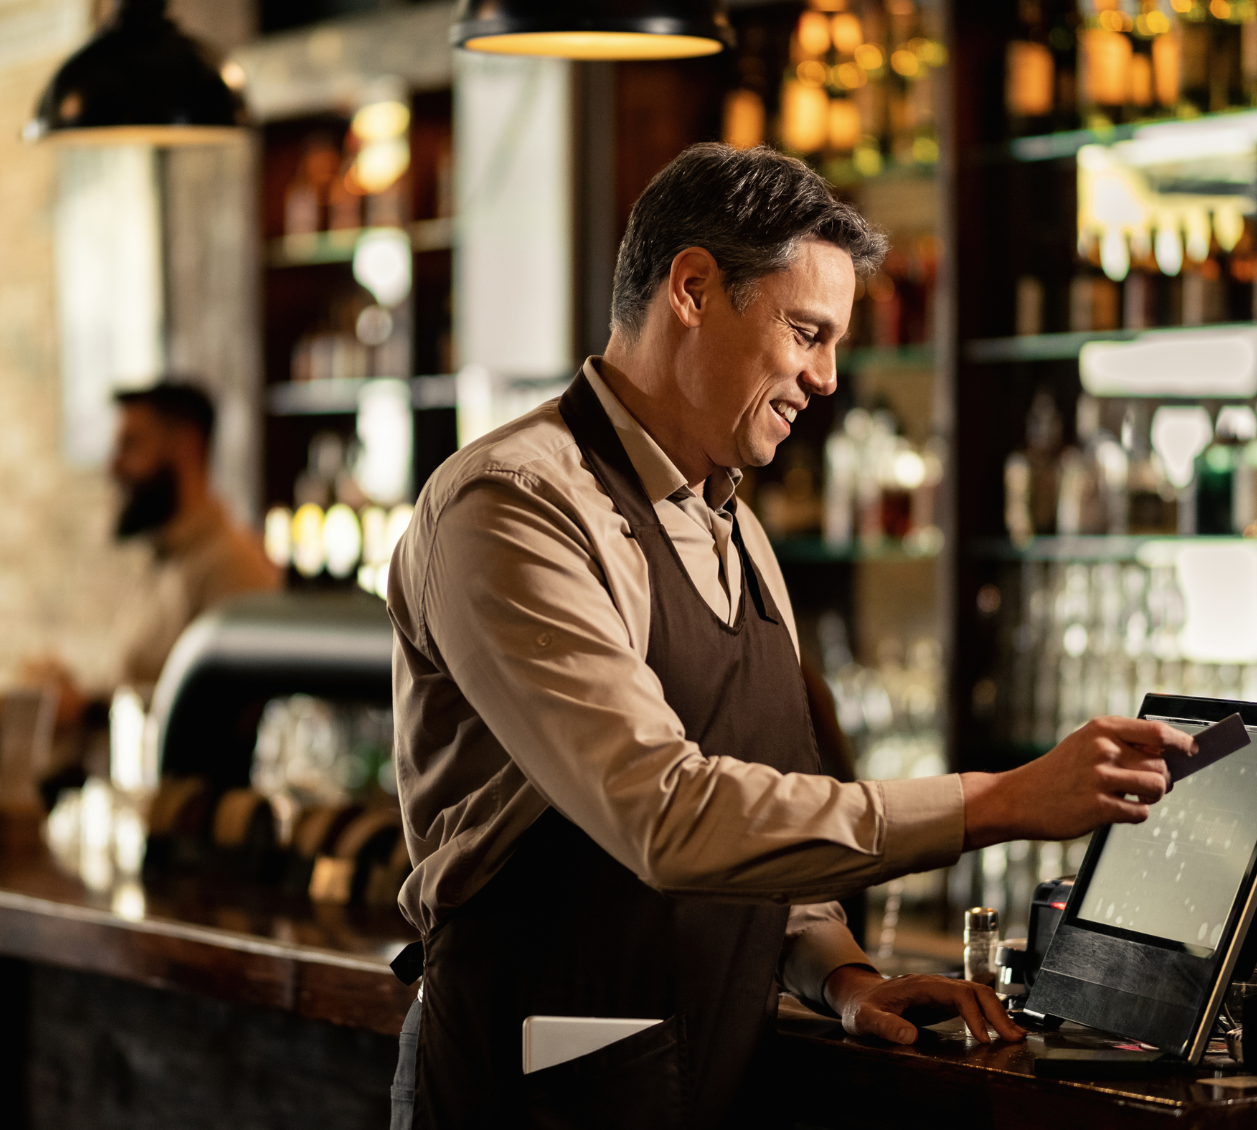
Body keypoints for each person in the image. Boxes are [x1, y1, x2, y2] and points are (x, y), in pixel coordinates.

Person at [384, 145, 1196, 1130]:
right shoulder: (514, 506)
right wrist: (1004, 800)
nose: (826, 378)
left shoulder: (737, 530)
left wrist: (841, 973)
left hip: (720, 1074)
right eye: (806, 332)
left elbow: (761, 802)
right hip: (532, 1087)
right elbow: (666, 816)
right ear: (692, 288)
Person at [105, 381, 280, 689]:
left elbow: (225, 710)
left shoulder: (233, 566)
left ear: (186, 445)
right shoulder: (165, 556)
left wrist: (89, 708)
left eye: (131, 445)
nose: (113, 467)